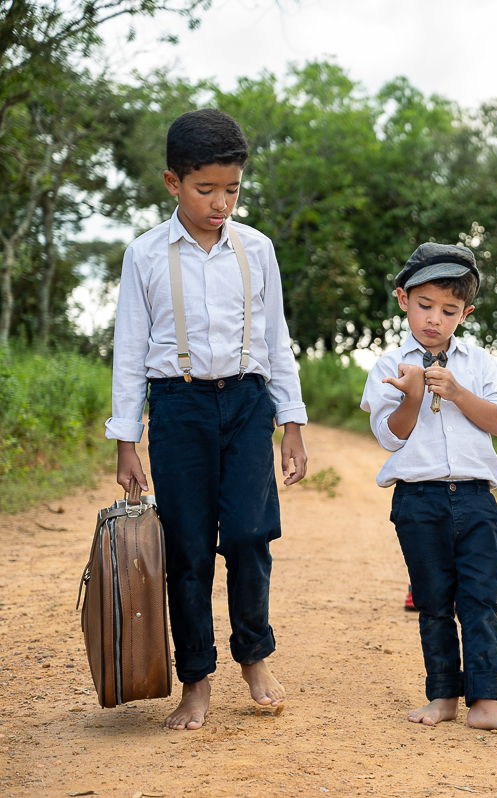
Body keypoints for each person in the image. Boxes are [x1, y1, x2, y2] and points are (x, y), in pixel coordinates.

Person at [107, 109, 308, 731]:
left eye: (233, 190)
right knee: (188, 547)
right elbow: (130, 350)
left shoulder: (258, 250)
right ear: (173, 183)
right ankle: (196, 679)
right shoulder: (143, 255)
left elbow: (277, 340)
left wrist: (291, 423)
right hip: (179, 406)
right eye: (205, 189)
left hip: (248, 403)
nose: (221, 203)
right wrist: (126, 440)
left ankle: (254, 657)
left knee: (250, 536)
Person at [360, 243, 497, 737]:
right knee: (434, 600)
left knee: (479, 598)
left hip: (476, 498)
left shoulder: (479, 364)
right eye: (424, 305)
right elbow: (390, 436)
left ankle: (487, 700)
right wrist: (412, 394)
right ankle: (443, 696)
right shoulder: (389, 366)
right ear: (403, 299)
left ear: (466, 313)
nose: (435, 319)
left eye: (449, 310)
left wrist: (456, 392)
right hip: (418, 500)